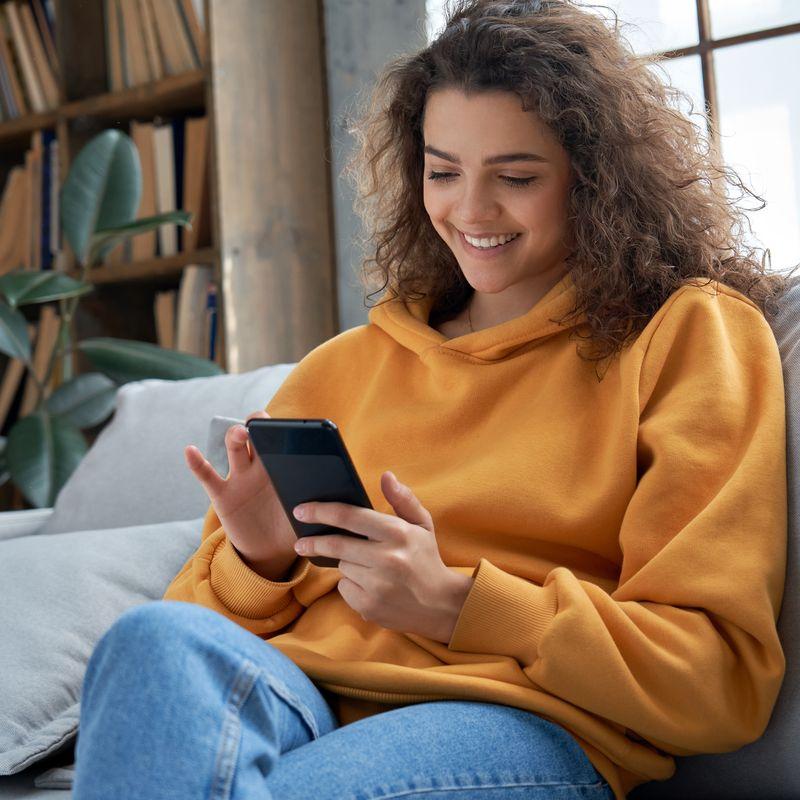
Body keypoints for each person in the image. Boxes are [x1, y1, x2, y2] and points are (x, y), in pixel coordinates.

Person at [71, 1, 797, 798]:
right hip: (299, 695)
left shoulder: (688, 334)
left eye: (516, 177)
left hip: (514, 717)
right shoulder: (342, 367)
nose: (471, 212)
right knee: (150, 642)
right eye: (443, 172)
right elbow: (206, 634)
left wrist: (457, 603)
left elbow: (717, 682)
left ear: (595, 180)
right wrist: (261, 560)